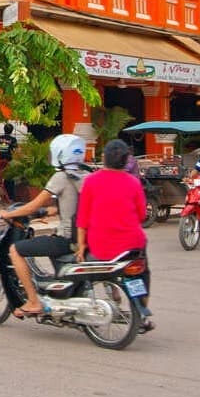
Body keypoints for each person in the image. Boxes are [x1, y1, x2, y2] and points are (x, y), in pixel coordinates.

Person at [0, 134, 86, 319]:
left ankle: (33, 301)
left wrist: (9, 214)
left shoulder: (61, 177)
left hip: (67, 239)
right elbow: (74, 203)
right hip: (85, 236)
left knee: (15, 250)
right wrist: (54, 210)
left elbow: (35, 204)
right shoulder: (86, 174)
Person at [76, 139, 153, 332]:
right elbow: (142, 215)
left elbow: (82, 218)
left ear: (103, 158)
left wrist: (80, 246)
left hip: (101, 246)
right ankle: (142, 309)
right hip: (133, 246)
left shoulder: (91, 181)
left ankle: (113, 295)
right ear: (126, 160)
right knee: (143, 274)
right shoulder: (134, 182)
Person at [0, 123, 18, 200]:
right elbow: (15, 150)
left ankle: (6, 195)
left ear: (4, 129)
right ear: (11, 131)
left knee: (2, 177)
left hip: (0, 161)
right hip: (9, 161)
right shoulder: (13, 139)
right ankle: (10, 196)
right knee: (10, 177)